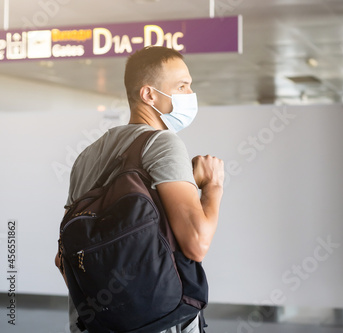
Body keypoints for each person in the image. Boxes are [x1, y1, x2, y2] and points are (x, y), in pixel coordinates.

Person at [55, 46, 225, 333]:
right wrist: (212, 185)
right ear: (149, 95)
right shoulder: (163, 143)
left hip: (95, 323)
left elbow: (64, 259)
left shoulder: (86, 157)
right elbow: (197, 243)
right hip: (158, 321)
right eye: (182, 86)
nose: (190, 94)